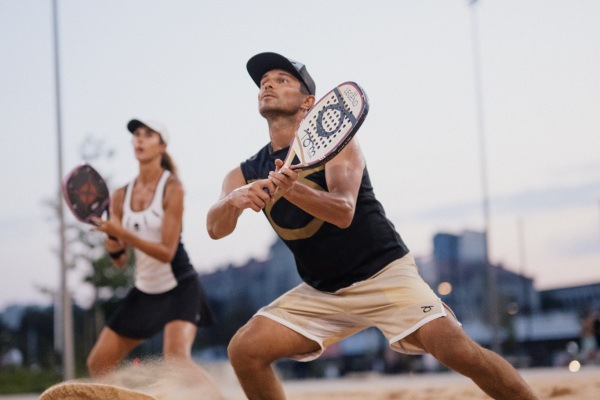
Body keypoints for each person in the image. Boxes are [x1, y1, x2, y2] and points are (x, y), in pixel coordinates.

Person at [206, 52, 539, 400]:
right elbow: (215, 228)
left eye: (282, 79)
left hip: (385, 275)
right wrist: (233, 201)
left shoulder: (338, 144)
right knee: (244, 350)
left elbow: (343, 210)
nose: (268, 84)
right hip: (323, 292)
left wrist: (293, 190)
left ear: (309, 102)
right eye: (263, 82)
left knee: (458, 350)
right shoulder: (245, 172)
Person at [89, 119, 222, 398]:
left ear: (162, 145)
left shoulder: (173, 188)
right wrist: (113, 241)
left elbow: (166, 252)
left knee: (176, 360)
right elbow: (121, 261)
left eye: (148, 135)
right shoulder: (119, 195)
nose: (139, 139)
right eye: (136, 134)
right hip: (145, 290)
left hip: (179, 286)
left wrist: (122, 231)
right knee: (98, 362)